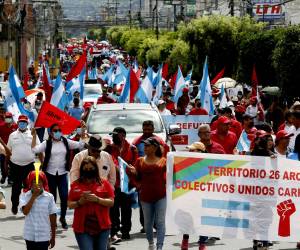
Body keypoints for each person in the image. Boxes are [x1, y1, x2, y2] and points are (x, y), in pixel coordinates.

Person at [32, 123, 85, 229]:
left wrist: (83, 131)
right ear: (51, 133)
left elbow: (81, 144)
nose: (58, 132)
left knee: (65, 196)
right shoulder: (46, 143)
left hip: (62, 173)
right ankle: (53, 220)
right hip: (50, 173)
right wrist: (34, 136)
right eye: (55, 131)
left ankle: (63, 218)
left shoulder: (66, 141)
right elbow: (34, 150)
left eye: (59, 130)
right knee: (52, 198)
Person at [127, 137, 167, 250]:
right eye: (144, 146)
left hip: (161, 196)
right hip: (145, 197)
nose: (145, 148)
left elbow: (171, 176)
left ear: (154, 148)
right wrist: (134, 174)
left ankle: (160, 246)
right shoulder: (140, 161)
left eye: (147, 146)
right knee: (147, 224)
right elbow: (136, 178)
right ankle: (151, 244)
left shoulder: (164, 161)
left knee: (160, 222)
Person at [68, 156, 114, 250]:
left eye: (91, 169)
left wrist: (97, 199)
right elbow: (69, 204)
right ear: (82, 170)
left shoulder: (104, 183)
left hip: (102, 226)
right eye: (86, 169)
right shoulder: (75, 185)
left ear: (95, 169)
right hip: (82, 227)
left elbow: (111, 202)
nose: (88, 171)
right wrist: (80, 202)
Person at [4, 115, 42, 215]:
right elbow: (8, 150)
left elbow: (39, 148)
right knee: (16, 187)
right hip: (15, 165)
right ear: (17, 123)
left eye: (24, 122)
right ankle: (15, 205)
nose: (22, 124)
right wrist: (6, 165)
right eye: (20, 122)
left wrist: (42, 162)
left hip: (29, 165)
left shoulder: (32, 134)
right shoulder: (12, 135)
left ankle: (27, 206)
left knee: (29, 187)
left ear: (27, 123)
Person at [109, 127, 138, 241]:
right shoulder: (109, 148)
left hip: (127, 183)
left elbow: (135, 165)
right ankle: (114, 230)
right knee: (114, 209)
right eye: (113, 135)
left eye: (116, 135)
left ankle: (126, 231)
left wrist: (129, 170)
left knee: (126, 209)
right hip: (114, 183)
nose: (114, 137)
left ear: (123, 135)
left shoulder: (132, 148)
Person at [20, 171, 57, 250]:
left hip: (43, 236)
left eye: (39, 181)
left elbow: (53, 217)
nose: (37, 184)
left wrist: (53, 236)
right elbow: (25, 212)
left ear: (43, 183)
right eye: (34, 182)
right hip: (29, 235)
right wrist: (33, 196)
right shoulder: (25, 196)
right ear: (30, 183)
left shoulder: (49, 197)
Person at [0, 112, 17, 184]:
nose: (8, 119)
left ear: (12, 118)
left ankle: (10, 178)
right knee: (2, 163)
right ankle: (4, 176)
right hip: (3, 149)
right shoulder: (1, 126)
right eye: (6, 117)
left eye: (9, 117)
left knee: (12, 164)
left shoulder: (15, 126)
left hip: (13, 149)